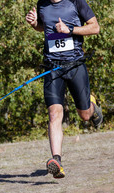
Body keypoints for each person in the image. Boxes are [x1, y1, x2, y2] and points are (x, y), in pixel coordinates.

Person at [25, 0, 103, 178]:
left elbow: (95, 28)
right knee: (54, 114)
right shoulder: (42, 4)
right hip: (52, 67)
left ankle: (91, 104)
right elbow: (45, 28)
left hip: (75, 65)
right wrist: (35, 24)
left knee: (85, 115)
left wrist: (71, 29)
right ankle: (57, 161)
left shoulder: (76, 2)